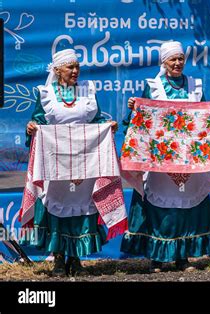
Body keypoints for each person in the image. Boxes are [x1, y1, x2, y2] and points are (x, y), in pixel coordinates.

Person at [120, 41, 210, 272]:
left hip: (189, 161)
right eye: (172, 59)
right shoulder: (152, 87)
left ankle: (183, 257)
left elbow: (205, 118)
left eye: (180, 59)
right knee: (162, 208)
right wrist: (135, 107)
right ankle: (158, 257)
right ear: (163, 62)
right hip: (160, 161)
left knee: (187, 207)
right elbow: (139, 120)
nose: (177, 63)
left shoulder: (195, 86)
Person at [23, 48, 118, 276]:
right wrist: (31, 129)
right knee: (57, 205)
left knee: (81, 208)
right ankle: (58, 260)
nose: (75, 71)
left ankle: (76, 260)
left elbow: (96, 121)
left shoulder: (87, 92)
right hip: (57, 163)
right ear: (57, 70)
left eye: (77, 66)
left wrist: (107, 127)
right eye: (70, 67)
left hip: (84, 163)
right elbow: (37, 121)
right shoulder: (45, 93)